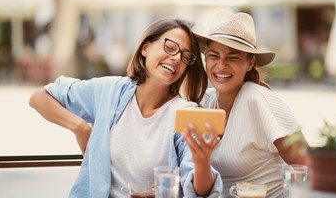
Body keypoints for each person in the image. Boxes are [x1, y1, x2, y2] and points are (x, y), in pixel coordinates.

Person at [29, 18, 222, 198]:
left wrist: (202, 160)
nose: (177, 58)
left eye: (185, 56)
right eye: (170, 47)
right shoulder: (110, 91)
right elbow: (40, 97)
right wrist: (80, 127)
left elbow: (201, 191)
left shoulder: (185, 113)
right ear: (145, 47)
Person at [182, 10, 308, 198]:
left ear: (250, 62)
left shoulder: (256, 98)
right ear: (205, 58)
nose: (221, 65)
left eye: (233, 57)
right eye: (214, 55)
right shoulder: (204, 103)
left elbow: (309, 165)